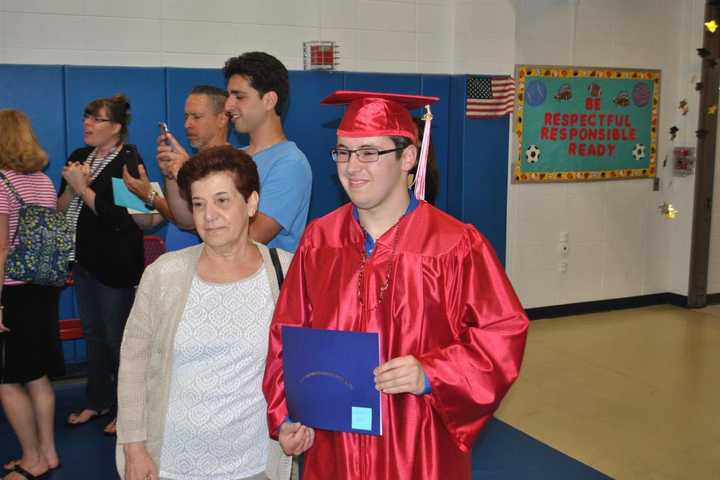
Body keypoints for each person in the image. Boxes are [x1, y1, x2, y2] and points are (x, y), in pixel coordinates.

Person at [262, 91, 529, 480]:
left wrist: (432, 373)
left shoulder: (454, 245)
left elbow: (502, 333)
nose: (352, 166)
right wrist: (286, 414)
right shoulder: (320, 241)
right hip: (336, 445)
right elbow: (285, 336)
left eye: (369, 152)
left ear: (408, 158)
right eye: (343, 152)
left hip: (418, 441)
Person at [117, 146, 292, 480]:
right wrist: (134, 448)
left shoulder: (286, 273)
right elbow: (134, 365)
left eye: (222, 200)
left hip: (254, 465)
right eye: (199, 204)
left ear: (251, 203)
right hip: (169, 464)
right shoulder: (164, 275)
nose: (208, 215)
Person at [158, 51, 312, 252]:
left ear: (269, 100)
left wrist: (189, 176)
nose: (229, 106)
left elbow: (253, 237)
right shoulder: (234, 158)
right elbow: (186, 221)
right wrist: (174, 174)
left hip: (266, 281)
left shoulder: (290, 163)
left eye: (239, 96)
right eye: (229, 95)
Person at [59, 94, 146, 437]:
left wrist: (84, 189)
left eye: (96, 119)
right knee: (94, 336)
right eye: (86, 116)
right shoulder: (80, 157)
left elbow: (122, 220)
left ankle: (129, 411)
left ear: (117, 128)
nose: (87, 124)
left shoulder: (128, 160)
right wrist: (71, 186)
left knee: (117, 339)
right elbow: (59, 206)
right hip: (83, 263)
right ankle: (98, 400)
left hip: (116, 265)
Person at [0, 110, 64, 480]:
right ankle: (49, 454)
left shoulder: (2, 183)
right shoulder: (41, 180)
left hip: (13, 292)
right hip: (42, 288)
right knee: (38, 376)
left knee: (7, 381)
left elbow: (2, 250)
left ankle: (32, 458)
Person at [123, 85, 230, 251]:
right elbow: (150, 221)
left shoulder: (234, 167)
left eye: (196, 117)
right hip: (178, 269)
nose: (188, 124)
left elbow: (189, 223)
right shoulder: (187, 162)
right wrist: (134, 192)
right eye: (186, 117)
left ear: (222, 119)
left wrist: (150, 196)